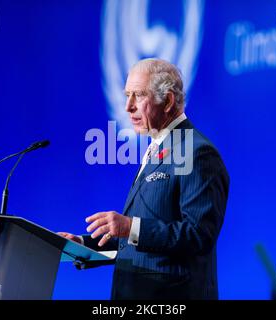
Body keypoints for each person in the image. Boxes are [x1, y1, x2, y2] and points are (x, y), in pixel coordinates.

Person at [59, 58, 229, 299]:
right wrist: (82, 245)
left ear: (168, 101)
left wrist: (130, 226)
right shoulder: (159, 147)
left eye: (138, 95)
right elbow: (140, 240)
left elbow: (198, 236)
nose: (128, 107)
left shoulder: (195, 151)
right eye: (127, 95)